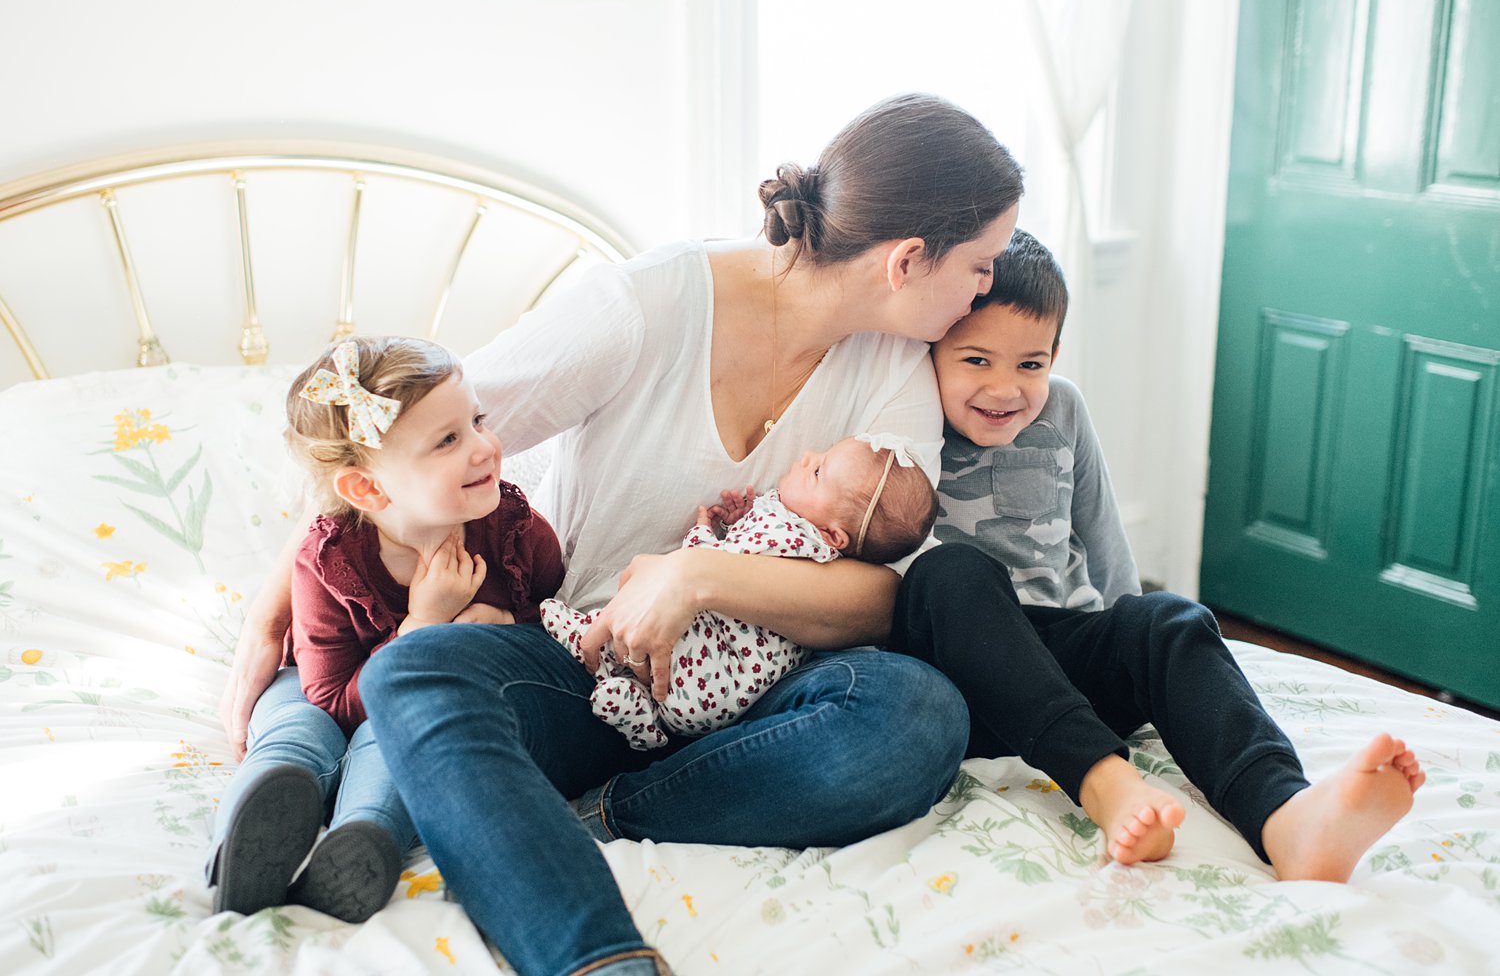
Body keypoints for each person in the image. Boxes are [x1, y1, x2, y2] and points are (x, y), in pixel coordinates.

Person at [219, 93, 1023, 976]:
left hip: (763, 693)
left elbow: (880, 602)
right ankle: (597, 959)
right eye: (982, 264)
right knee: (416, 667)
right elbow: (406, 441)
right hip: (581, 668)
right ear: (909, 259)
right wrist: (275, 601)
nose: (987, 290)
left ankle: (605, 812)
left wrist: (698, 579)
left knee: (917, 714)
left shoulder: (896, 371)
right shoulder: (648, 304)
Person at [890, 229, 1426, 879]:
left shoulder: (1064, 409)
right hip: (965, 680)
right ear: (931, 351)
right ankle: (1103, 783)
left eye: (1029, 364)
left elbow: (1102, 534)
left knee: (1171, 618)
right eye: (976, 360)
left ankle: (1287, 818)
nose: (1005, 389)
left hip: (1063, 665)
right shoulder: (907, 414)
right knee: (953, 571)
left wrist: (1133, 643)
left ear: (1055, 354)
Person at [208, 336, 562, 923]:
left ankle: (360, 842)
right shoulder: (329, 561)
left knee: (404, 736)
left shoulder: (515, 533)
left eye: (477, 421)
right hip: (318, 686)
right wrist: (424, 624)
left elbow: (553, 633)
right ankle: (244, 849)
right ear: (367, 489)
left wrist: (505, 631)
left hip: (408, 704)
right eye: (449, 440)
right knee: (293, 735)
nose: (486, 449)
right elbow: (330, 698)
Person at [544, 434, 938, 749]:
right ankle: (642, 715)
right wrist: (741, 522)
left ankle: (587, 635)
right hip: (716, 700)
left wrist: (701, 533)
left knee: (663, 627)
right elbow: (741, 559)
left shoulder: (790, 535)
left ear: (833, 534)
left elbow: (713, 563)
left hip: (714, 664)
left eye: (818, 471)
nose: (806, 456)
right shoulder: (812, 547)